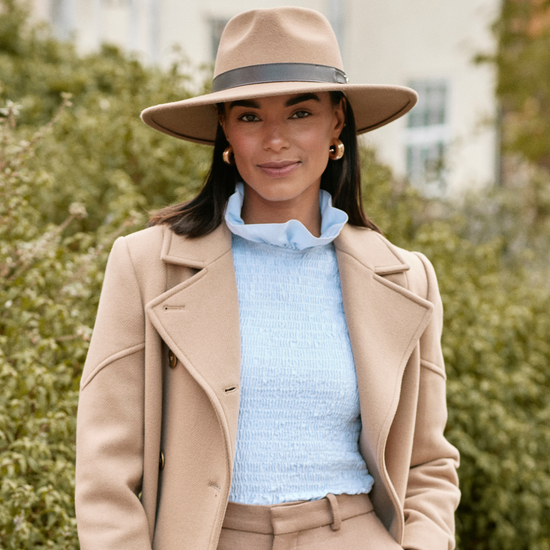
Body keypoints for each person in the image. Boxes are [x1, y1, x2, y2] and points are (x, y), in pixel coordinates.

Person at [75, 6, 460, 550]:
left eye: (300, 113)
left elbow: (428, 463)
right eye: (250, 116)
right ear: (225, 129)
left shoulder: (406, 277)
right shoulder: (147, 267)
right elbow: (104, 471)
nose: (275, 139)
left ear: (337, 122)